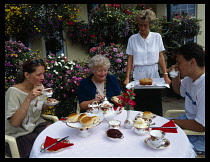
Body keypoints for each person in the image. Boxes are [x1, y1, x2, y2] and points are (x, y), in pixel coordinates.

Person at [5, 59, 56, 158]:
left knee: (55, 134)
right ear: (27, 75)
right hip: (18, 134)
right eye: (39, 75)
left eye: (43, 74)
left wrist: (47, 103)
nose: (42, 78)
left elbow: (38, 112)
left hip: (35, 126)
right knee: (40, 152)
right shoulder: (13, 92)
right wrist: (28, 98)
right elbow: (15, 123)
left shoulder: (39, 87)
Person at [123, 9, 171, 115]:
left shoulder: (157, 37)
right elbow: (130, 58)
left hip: (153, 71)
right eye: (140, 25)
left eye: (145, 25)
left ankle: (156, 126)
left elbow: (160, 56)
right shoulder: (132, 39)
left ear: (149, 24)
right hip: (139, 72)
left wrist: (165, 74)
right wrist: (127, 77)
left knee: (155, 102)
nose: (143, 28)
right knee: (140, 104)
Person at [169, 43, 205, 153]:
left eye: (179, 62)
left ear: (192, 62)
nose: (177, 65)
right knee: (154, 127)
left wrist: (174, 122)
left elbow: (201, 126)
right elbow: (179, 91)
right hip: (188, 122)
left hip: (199, 136)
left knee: (164, 147)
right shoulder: (191, 78)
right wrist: (175, 76)